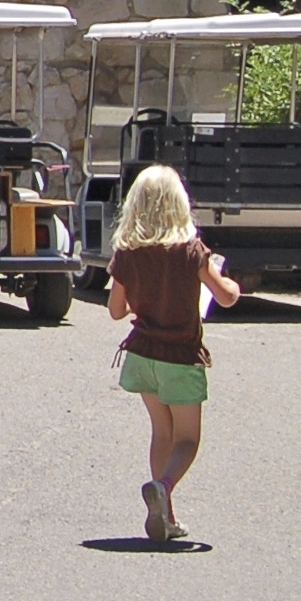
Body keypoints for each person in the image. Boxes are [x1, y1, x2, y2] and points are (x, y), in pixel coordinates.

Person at [106, 165, 241, 543]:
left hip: (143, 354)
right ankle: (163, 487)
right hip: (180, 357)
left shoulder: (127, 253)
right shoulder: (191, 252)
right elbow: (227, 297)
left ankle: (165, 512)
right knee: (187, 439)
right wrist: (226, 278)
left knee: (161, 431)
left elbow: (116, 311)